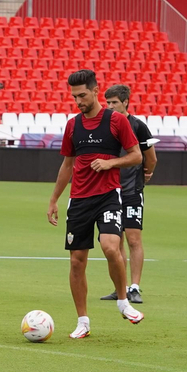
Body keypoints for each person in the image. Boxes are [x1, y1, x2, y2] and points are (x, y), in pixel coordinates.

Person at [46, 68, 144, 338]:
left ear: (95, 90)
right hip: (78, 200)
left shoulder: (116, 121)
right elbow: (67, 165)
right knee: (77, 262)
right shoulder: (73, 125)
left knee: (110, 247)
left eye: (83, 95)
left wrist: (111, 162)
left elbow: (136, 156)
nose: (78, 101)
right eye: (75, 97)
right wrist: (54, 199)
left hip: (109, 196)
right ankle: (83, 322)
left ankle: (123, 302)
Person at [101, 84, 158, 304]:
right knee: (115, 242)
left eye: (114, 102)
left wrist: (146, 175)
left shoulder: (139, 126)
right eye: (108, 102)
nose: (110, 106)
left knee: (134, 239)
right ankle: (121, 287)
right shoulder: (105, 125)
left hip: (132, 190)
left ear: (126, 102)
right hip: (110, 190)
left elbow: (151, 157)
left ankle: (135, 287)